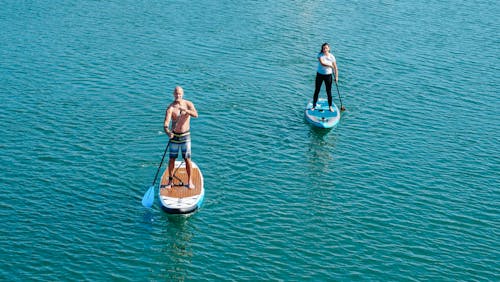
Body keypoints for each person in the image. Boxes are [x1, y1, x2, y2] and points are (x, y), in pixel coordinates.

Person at [162, 86, 198, 189]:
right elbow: (165, 124)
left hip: (185, 136)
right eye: (176, 94)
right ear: (173, 94)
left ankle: (189, 181)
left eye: (180, 94)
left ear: (182, 94)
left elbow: (196, 115)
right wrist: (168, 132)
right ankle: (170, 181)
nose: (178, 95)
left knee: (187, 159)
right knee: (172, 159)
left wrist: (186, 111)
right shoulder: (171, 108)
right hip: (174, 137)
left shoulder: (188, 104)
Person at [312, 42, 338, 112]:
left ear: (329, 49)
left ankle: (330, 107)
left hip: (328, 76)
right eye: (323, 48)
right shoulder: (320, 55)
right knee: (317, 90)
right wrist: (330, 66)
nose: (325, 49)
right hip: (320, 75)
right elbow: (322, 63)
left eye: (326, 48)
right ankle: (314, 106)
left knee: (329, 91)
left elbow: (335, 68)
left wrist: (336, 77)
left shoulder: (332, 56)